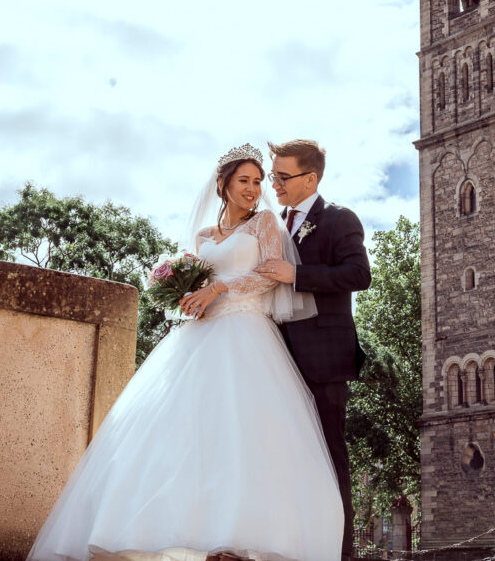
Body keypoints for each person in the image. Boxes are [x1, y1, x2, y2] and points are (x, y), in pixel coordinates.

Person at [26, 144, 343, 561]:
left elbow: (268, 278)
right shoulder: (204, 237)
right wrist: (188, 296)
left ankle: (237, 542)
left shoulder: (266, 222)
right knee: (186, 437)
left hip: (247, 334)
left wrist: (218, 288)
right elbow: (199, 280)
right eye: (244, 181)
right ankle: (181, 535)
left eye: (259, 181)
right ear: (224, 184)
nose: (254, 189)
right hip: (201, 334)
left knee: (243, 436)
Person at [255, 139, 372, 561]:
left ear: (311, 178)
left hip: (323, 358)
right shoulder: (269, 223)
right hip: (274, 357)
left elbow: (359, 274)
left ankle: (340, 554)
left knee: (330, 457)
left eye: (282, 177)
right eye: (274, 176)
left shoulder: (340, 219)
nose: (276, 184)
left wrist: (297, 274)